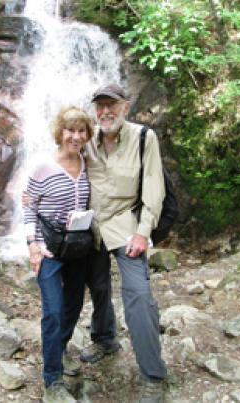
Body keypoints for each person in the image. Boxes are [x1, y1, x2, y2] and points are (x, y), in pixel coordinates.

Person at [80, 83, 167, 403]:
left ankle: (154, 375)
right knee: (98, 287)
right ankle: (105, 339)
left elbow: (154, 187)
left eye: (112, 105)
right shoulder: (85, 138)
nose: (106, 111)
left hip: (127, 227)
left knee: (139, 295)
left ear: (126, 107)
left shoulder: (144, 138)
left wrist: (144, 232)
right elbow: (62, 165)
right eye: (100, 105)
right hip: (91, 227)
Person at [23, 106, 94, 403]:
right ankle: (52, 380)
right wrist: (32, 245)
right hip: (49, 250)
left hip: (78, 249)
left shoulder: (89, 163)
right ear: (60, 133)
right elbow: (29, 206)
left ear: (87, 135)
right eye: (70, 130)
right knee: (52, 311)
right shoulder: (43, 167)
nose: (75, 137)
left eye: (81, 131)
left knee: (74, 305)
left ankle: (61, 348)